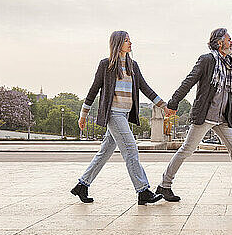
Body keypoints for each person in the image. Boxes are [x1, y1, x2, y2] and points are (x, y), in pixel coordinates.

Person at [156, 28, 232, 201]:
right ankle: (164, 185)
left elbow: (229, 94)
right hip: (206, 115)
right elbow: (189, 81)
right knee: (186, 150)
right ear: (219, 42)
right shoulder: (207, 60)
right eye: (229, 39)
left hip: (222, 117)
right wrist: (173, 103)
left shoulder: (229, 62)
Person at [71, 31, 169, 205]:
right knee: (131, 150)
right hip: (113, 114)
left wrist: (163, 105)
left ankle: (82, 185)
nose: (130, 43)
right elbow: (93, 90)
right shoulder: (106, 65)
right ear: (117, 43)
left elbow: (145, 88)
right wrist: (83, 114)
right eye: (126, 40)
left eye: (130, 40)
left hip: (124, 114)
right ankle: (143, 190)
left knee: (104, 152)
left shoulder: (133, 65)